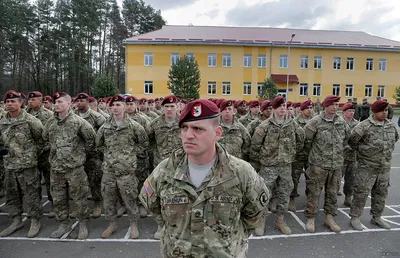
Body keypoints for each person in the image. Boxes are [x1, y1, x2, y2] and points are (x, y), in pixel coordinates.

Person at [139, 99, 269, 257]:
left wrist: (227, 242)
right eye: (184, 128)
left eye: (197, 129)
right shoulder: (165, 171)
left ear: (218, 133)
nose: (188, 135)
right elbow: (154, 208)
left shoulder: (241, 172)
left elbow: (253, 215)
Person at [43, 92, 95, 239]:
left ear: (69, 103)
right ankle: (63, 223)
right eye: (55, 102)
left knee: (79, 198)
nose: (57, 105)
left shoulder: (79, 122)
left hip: (74, 169)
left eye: (60, 102)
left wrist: (79, 155)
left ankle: (83, 223)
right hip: (56, 168)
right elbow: (44, 138)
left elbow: (91, 141)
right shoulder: (51, 122)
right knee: (58, 198)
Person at [96, 94, 149, 239]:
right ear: (110, 107)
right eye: (113, 105)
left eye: (119, 105)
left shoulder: (134, 126)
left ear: (125, 107)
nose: (115, 108)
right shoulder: (105, 127)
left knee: (130, 198)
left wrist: (130, 155)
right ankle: (112, 224)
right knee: (108, 198)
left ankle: (133, 224)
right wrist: (109, 155)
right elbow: (98, 144)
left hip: (126, 171)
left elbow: (144, 143)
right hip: (109, 170)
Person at [250, 96, 305, 235]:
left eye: (284, 106)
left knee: (284, 193)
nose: (282, 108)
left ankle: (280, 220)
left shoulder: (292, 124)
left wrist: (290, 154)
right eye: (279, 106)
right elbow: (255, 146)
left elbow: (301, 140)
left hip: (286, 166)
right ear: (274, 108)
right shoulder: (265, 126)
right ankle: (260, 220)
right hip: (269, 167)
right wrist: (265, 159)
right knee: (264, 193)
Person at [349, 100, 399, 230]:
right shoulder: (363, 126)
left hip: (384, 168)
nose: (384, 112)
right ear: (374, 111)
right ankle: (355, 217)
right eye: (382, 110)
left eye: (386, 110)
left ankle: (377, 217)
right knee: (361, 192)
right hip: (367, 167)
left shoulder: (391, 126)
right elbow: (353, 141)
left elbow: (395, 139)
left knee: (381, 193)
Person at [303, 95, 350, 233]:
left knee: (332, 193)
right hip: (318, 165)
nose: (335, 107)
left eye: (337, 104)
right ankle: (311, 217)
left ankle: (329, 218)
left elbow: (347, 139)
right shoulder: (315, 122)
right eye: (333, 105)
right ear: (325, 106)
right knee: (314, 192)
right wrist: (313, 157)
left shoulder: (341, 122)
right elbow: (305, 141)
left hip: (336, 165)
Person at [0, 90, 44, 238]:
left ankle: (35, 220)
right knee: (11, 194)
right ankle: (16, 220)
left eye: (13, 101)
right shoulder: (2, 121)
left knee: (31, 193)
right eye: (8, 101)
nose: (10, 104)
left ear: (21, 103)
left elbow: (41, 139)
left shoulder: (30, 120)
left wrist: (31, 154)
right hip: (9, 165)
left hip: (27, 165)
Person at [75, 92, 105, 218]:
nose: (79, 103)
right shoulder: (73, 116)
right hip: (76, 155)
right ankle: (80, 206)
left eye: (82, 101)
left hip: (92, 155)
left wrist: (99, 151)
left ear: (88, 102)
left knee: (94, 181)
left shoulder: (97, 117)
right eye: (78, 101)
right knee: (77, 183)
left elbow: (104, 134)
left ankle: (98, 203)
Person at [26, 91, 55, 218]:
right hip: (31, 154)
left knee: (50, 180)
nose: (30, 102)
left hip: (46, 153)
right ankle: (35, 207)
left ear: (40, 101)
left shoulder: (49, 115)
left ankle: (54, 203)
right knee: (32, 182)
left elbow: (53, 134)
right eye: (29, 100)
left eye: (33, 100)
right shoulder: (25, 114)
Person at [289, 99, 314, 212]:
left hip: (311, 155)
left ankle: (310, 200)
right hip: (298, 155)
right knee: (295, 177)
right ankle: (292, 199)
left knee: (311, 179)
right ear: (302, 110)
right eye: (307, 108)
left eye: (311, 108)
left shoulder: (315, 121)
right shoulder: (294, 122)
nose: (310, 110)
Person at [146, 95, 182, 169]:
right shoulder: (154, 124)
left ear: (177, 107)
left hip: (179, 164)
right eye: (166, 106)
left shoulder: (183, 123)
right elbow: (148, 141)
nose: (169, 109)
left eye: (172, 106)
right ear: (162, 107)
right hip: (160, 164)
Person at [338, 103, 359, 205]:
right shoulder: (338, 122)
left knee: (351, 179)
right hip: (340, 156)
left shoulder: (357, 124)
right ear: (344, 112)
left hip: (352, 157)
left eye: (353, 111)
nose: (351, 113)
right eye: (349, 111)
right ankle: (332, 197)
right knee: (336, 179)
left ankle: (348, 197)